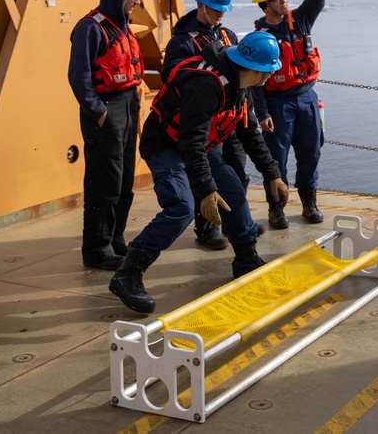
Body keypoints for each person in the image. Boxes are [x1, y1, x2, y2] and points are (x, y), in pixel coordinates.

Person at [108, 32, 290, 314]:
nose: (268, 78)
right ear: (256, 70)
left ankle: (245, 259)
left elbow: (249, 132)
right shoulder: (207, 85)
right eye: (267, 72)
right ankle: (128, 273)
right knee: (181, 206)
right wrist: (205, 190)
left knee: (232, 191)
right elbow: (189, 141)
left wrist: (272, 173)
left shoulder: (242, 87)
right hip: (166, 146)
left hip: (198, 147)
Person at [161, 0, 257, 251]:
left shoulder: (227, 35)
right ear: (200, 5)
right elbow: (173, 79)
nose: (220, 14)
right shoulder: (183, 41)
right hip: (205, 121)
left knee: (237, 172)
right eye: (216, 9)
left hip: (231, 117)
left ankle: (238, 224)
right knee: (206, 175)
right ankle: (207, 229)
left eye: (223, 9)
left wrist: (251, 112)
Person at [67, 0, 146, 271]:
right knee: (104, 181)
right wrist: (99, 113)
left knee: (124, 179)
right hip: (106, 109)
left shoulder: (122, 28)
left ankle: (115, 238)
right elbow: (79, 76)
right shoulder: (91, 28)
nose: (137, 3)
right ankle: (96, 248)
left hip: (127, 105)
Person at [252, 0, 325, 229]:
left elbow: (316, 0)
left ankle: (309, 202)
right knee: (276, 159)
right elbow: (256, 81)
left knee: (311, 152)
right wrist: (262, 113)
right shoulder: (259, 38)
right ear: (266, 5)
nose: (284, 0)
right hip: (278, 105)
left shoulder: (301, 21)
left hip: (307, 98)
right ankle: (276, 208)